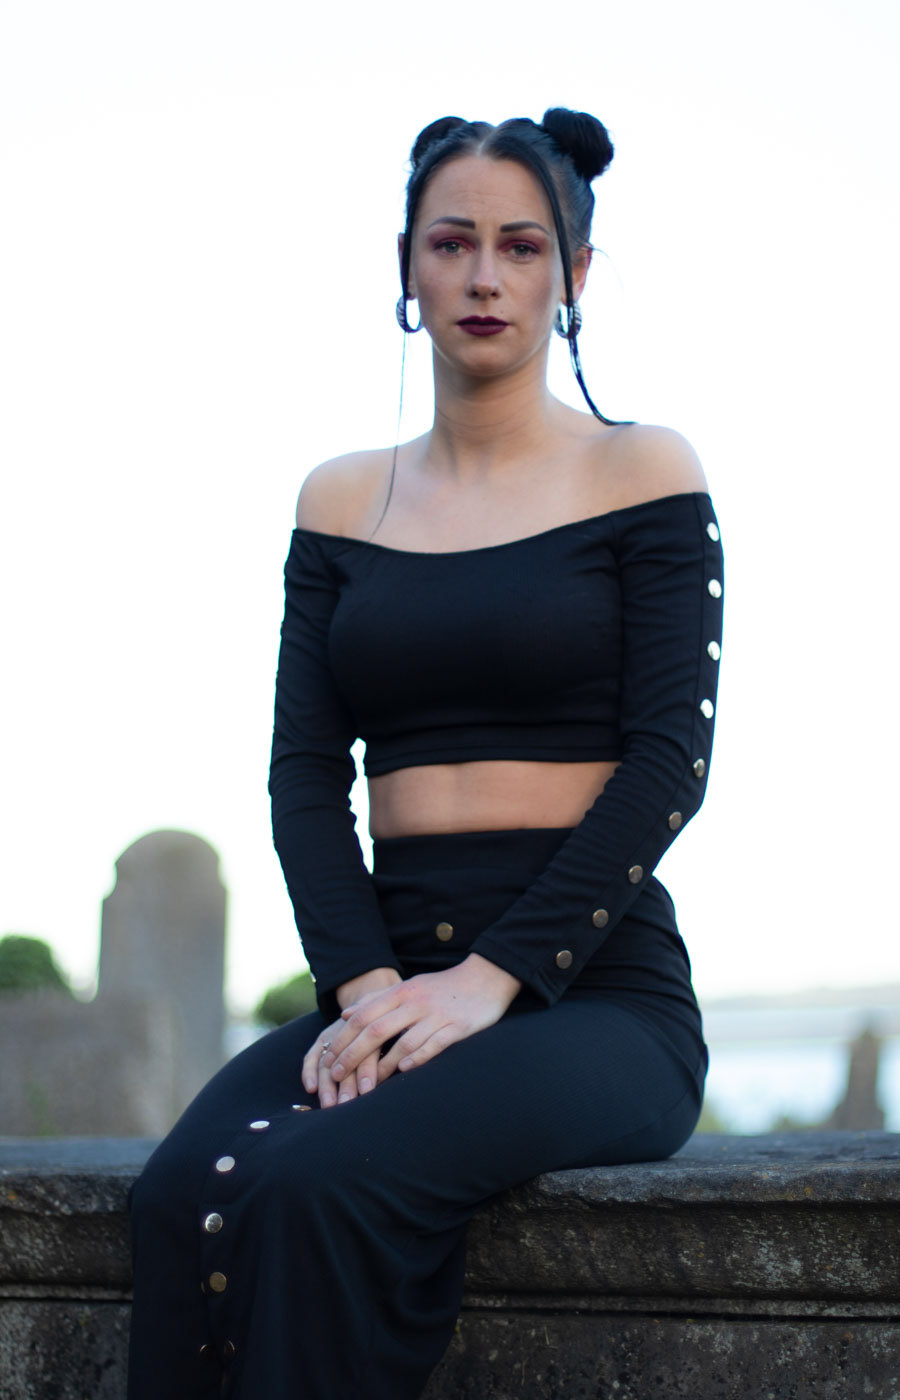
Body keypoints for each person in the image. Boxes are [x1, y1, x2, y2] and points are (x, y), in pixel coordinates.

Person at [127, 108, 724, 1400]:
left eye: (521, 245)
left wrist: (489, 982)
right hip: (387, 979)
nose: (483, 274)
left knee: (314, 1184)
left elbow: (671, 759)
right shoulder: (339, 497)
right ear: (406, 265)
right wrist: (364, 990)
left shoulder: (644, 471)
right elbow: (302, 776)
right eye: (451, 243)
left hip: (589, 992)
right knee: (183, 1194)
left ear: (572, 273)